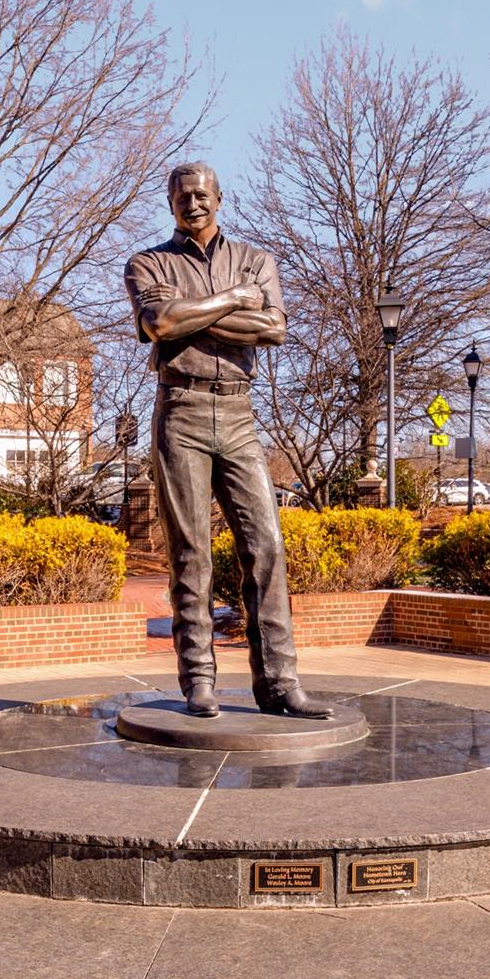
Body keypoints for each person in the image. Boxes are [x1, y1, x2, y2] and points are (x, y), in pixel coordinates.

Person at [124, 161, 332, 720]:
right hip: (182, 409)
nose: (193, 203)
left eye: (202, 194)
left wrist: (195, 315)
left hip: (239, 412)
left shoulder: (256, 260)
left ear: (220, 197)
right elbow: (162, 323)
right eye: (182, 196)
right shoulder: (149, 262)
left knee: (266, 546)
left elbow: (274, 329)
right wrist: (236, 300)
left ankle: (280, 684)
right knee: (190, 553)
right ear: (170, 204)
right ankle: (198, 680)